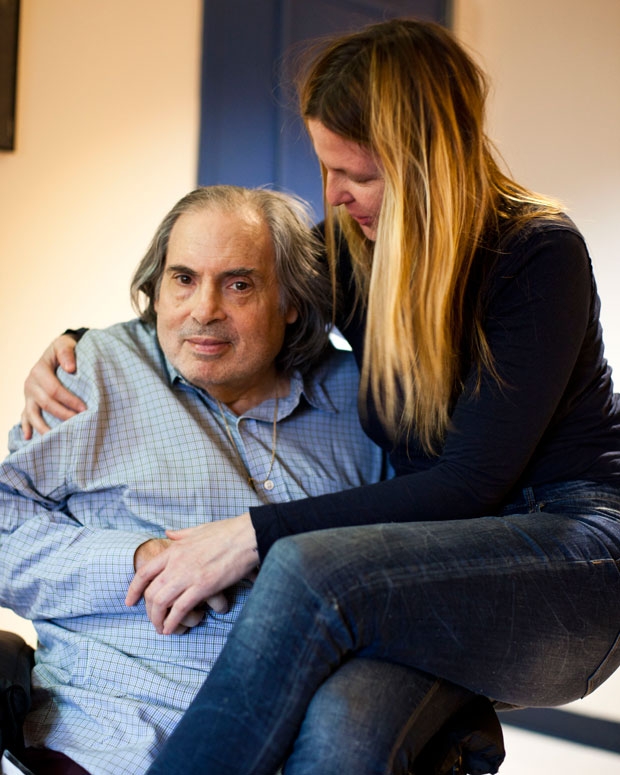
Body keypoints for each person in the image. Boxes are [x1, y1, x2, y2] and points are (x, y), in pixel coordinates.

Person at [21, 18, 620, 775]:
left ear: (425, 164)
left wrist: (246, 533)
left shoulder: (538, 252)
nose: (334, 195)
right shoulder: (351, 248)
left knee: (305, 569)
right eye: (326, 167)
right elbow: (233, 301)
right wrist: (80, 342)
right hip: (437, 570)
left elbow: (474, 483)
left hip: (573, 563)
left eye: (359, 176)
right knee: (345, 734)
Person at [0, 185, 389, 775]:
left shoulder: (359, 401)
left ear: (289, 300)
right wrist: (138, 560)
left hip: (297, 742)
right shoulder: (94, 371)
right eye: (183, 279)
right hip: (108, 733)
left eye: (239, 284)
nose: (203, 310)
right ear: (157, 288)